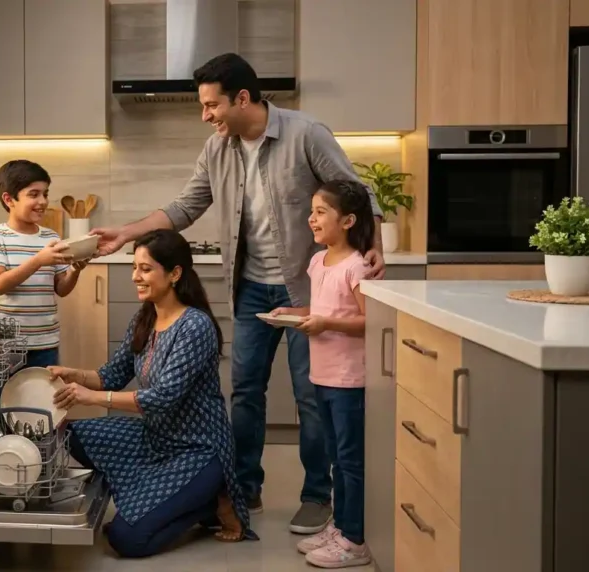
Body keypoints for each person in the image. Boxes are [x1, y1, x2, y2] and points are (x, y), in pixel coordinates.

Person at [90, 52, 385, 534]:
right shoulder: (216, 149)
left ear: (242, 98)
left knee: (311, 395)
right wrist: (126, 232)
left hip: (305, 288)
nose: (205, 115)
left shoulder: (306, 134)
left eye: (211, 105)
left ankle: (316, 495)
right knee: (246, 390)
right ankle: (244, 486)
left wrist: (375, 245)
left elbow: (357, 192)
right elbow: (185, 207)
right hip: (249, 287)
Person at [48, 229, 253, 559]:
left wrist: (91, 397)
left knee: (125, 539)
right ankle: (152, 494)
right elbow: (112, 375)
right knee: (67, 432)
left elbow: (162, 398)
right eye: (134, 268)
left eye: (145, 269)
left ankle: (211, 503)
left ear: (174, 274)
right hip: (154, 437)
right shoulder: (145, 317)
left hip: (197, 449)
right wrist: (75, 375)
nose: (135, 277)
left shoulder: (195, 326)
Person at [270, 180, 374, 568]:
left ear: (348, 221)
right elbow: (319, 310)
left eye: (320, 212)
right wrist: (290, 313)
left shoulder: (358, 266)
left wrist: (326, 324)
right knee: (335, 458)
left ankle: (355, 540)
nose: (311, 219)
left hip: (350, 380)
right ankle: (340, 526)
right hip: (323, 375)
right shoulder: (318, 261)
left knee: (350, 461)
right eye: (311, 211)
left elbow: (370, 320)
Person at [0, 159, 85, 411]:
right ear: (9, 199)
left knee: (44, 412)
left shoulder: (51, 237)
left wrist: (75, 270)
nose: (43, 201)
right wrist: (38, 260)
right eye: (33, 194)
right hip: (6, 345)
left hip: (45, 343)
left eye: (45, 194)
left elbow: (61, 288)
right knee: (3, 412)